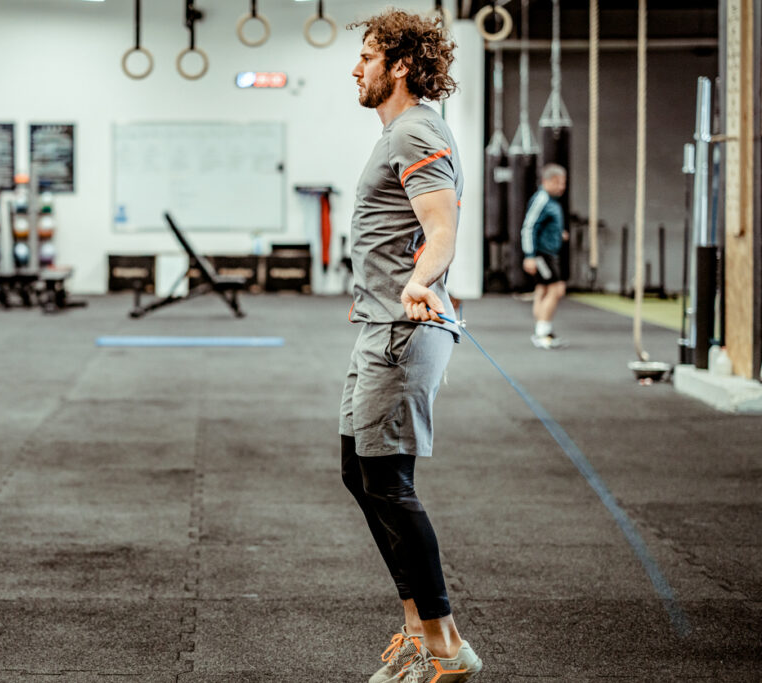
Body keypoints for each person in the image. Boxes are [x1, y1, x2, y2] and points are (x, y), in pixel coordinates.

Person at [341, 10, 482, 683]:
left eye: (367, 55)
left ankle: (446, 645)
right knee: (360, 473)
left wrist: (421, 280)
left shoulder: (418, 128)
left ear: (399, 64)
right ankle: (417, 629)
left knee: (388, 484)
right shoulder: (399, 134)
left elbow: (442, 226)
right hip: (378, 325)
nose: (356, 68)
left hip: (404, 331)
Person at [521, 164, 568, 349]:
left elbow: (544, 224)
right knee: (556, 290)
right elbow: (529, 227)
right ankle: (542, 333)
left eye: (563, 183)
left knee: (543, 290)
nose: (561, 186)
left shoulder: (551, 200)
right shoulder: (541, 199)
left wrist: (559, 233)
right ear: (546, 181)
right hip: (542, 254)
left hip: (549, 253)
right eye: (557, 182)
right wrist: (529, 255)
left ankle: (542, 331)